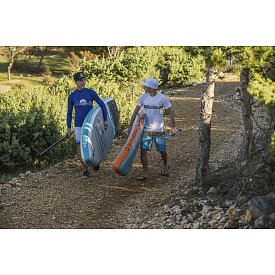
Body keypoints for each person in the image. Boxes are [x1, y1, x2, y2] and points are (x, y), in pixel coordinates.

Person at [127, 77, 176, 181]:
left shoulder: (162, 98)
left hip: (158, 130)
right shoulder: (143, 97)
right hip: (145, 129)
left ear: (153, 88)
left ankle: (165, 165)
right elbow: (136, 111)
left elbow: (171, 112)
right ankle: (145, 172)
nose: (144, 87)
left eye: (146, 86)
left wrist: (173, 127)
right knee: (143, 150)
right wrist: (130, 125)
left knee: (162, 150)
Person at [66, 72, 108, 179]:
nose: (83, 82)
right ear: (75, 82)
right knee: (80, 147)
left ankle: (94, 161)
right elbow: (69, 113)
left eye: (84, 80)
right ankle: (85, 170)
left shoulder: (91, 93)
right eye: (80, 80)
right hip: (79, 125)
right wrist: (69, 128)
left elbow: (102, 105)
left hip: (90, 123)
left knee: (92, 145)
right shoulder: (72, 96)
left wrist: (105, 119)